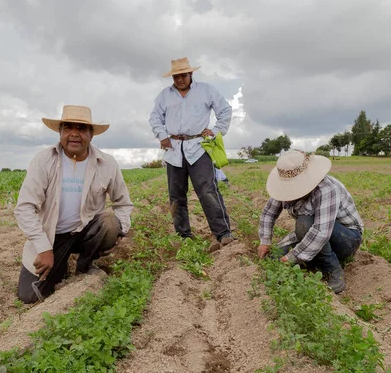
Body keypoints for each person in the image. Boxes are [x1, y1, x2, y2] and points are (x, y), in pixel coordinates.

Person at [14, 105, 133, 303]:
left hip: (85, 233)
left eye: (81, 128)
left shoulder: (107, 163)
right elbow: (25, 207)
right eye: (68, 127)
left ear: (91, 134)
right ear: (60, 132)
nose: (74, 134)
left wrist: (120, 232)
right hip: (52, 238)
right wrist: (43, 248)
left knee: (110, 223)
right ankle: (60, 264)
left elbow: (123, 203)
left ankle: (85, 265)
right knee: (29, 296)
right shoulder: (44, 161)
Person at [149, 57, 234, 252]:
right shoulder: (164, 96)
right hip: (174, 149)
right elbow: (154, 117)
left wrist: (216, 130)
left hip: (198, 147)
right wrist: (162, 135)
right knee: (176, 195)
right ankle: (183, 235)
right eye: (176, 76)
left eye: (183, 75)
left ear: (191, 74)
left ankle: (223, 234)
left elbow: (225, 110)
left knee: (208, 191)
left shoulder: (206, 90)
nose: (180, 79)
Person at [257, 150, 363, 293]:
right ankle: (312, 258)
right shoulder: (284, 188)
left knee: (304, 222)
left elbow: (321, 231)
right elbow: (269, 213)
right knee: (273, 257)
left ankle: (332, 270)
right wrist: (265, 241)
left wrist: (291, 257)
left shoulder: (326, 188)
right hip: (312, 232)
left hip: (346, 238)